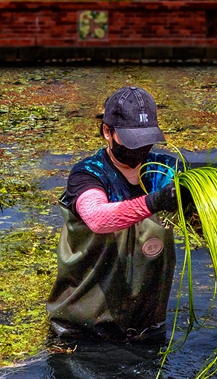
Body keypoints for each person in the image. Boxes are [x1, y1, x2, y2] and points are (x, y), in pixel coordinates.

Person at [46, 85, 186, 339]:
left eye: (145, 141)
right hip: (83, 331)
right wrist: (154, 202)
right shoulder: (89, 173)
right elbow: (97, 218)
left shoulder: (167, 172)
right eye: (131, 140)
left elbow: (199, 222)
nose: (139, 149)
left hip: (147, 328)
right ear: (107, 132)